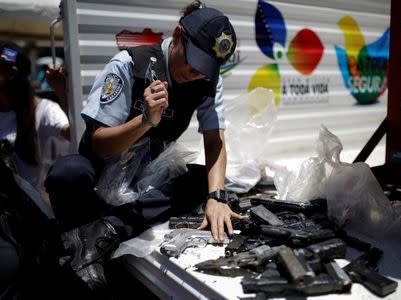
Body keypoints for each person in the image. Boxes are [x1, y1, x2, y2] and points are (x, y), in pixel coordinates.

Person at [45, 1, 245, 289]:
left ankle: (107, 230)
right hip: (102, 176)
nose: (196, 74)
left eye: (205, 69)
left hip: (143, 181)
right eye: (193, 63)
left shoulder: (205, 80)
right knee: (68, 172)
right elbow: (100, 143)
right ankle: (80, 242)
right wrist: (145, 121)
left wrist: (216, 198)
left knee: (205, 180)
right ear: (178, 35)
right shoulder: (129, 65)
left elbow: (215, 140)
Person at [0, 41, 70, 205]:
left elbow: (75, 134)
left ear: (11, 73)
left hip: (27, 213)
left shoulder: (44, 110)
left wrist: (60, 91)